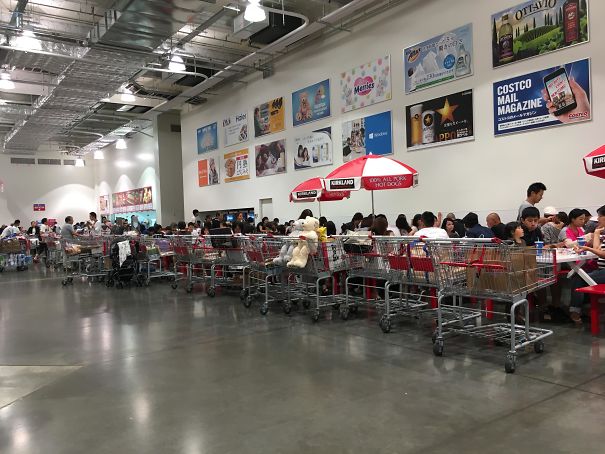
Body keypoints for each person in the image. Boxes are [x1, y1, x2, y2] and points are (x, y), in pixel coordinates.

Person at [570, 205, 605, 323]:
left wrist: (586, 248)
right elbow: (597, 248)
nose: (598, 219)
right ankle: (581, 309)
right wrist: (596, 233)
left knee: (578, 277)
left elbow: (602, 254)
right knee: (579, 275)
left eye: (600, 216)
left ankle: (575, 311)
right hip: (601, 271)